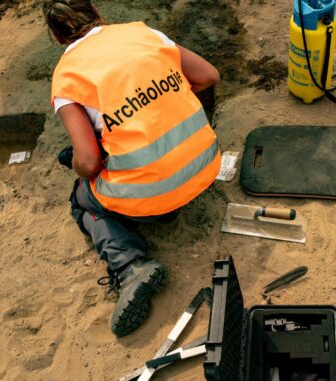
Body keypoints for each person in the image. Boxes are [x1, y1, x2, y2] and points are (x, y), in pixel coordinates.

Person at [44, 0, 221, 337]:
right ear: (97, 14)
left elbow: (88, 162)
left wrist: (86, 164)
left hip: (151, 200)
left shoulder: (67, 77)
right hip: (203, 167)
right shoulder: (143, 33)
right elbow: (209, 76)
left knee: (82, 199)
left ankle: (130, 267)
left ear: (57, 38)